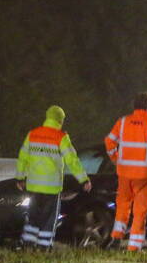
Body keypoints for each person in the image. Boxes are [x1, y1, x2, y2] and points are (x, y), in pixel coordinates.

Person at [15, 105, 91, 249]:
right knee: (49, 218)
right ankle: (44, 246)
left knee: (33, 217)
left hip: (34, 186)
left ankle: (28, 244)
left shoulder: (33, 134)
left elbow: (22, 157)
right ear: (60, 120)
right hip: (51, 187)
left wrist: (19, 178)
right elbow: (72, 160)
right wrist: (83, 179)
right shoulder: (61, 137)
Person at [104, 92, 147, 251]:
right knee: (140, 211)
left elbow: (109, 142)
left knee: (122, 207)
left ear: (133, 105)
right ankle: (134, 247)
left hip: (124, 173)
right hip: (143, 175)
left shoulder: (122, 122)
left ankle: (116, 238)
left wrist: (116, 159)